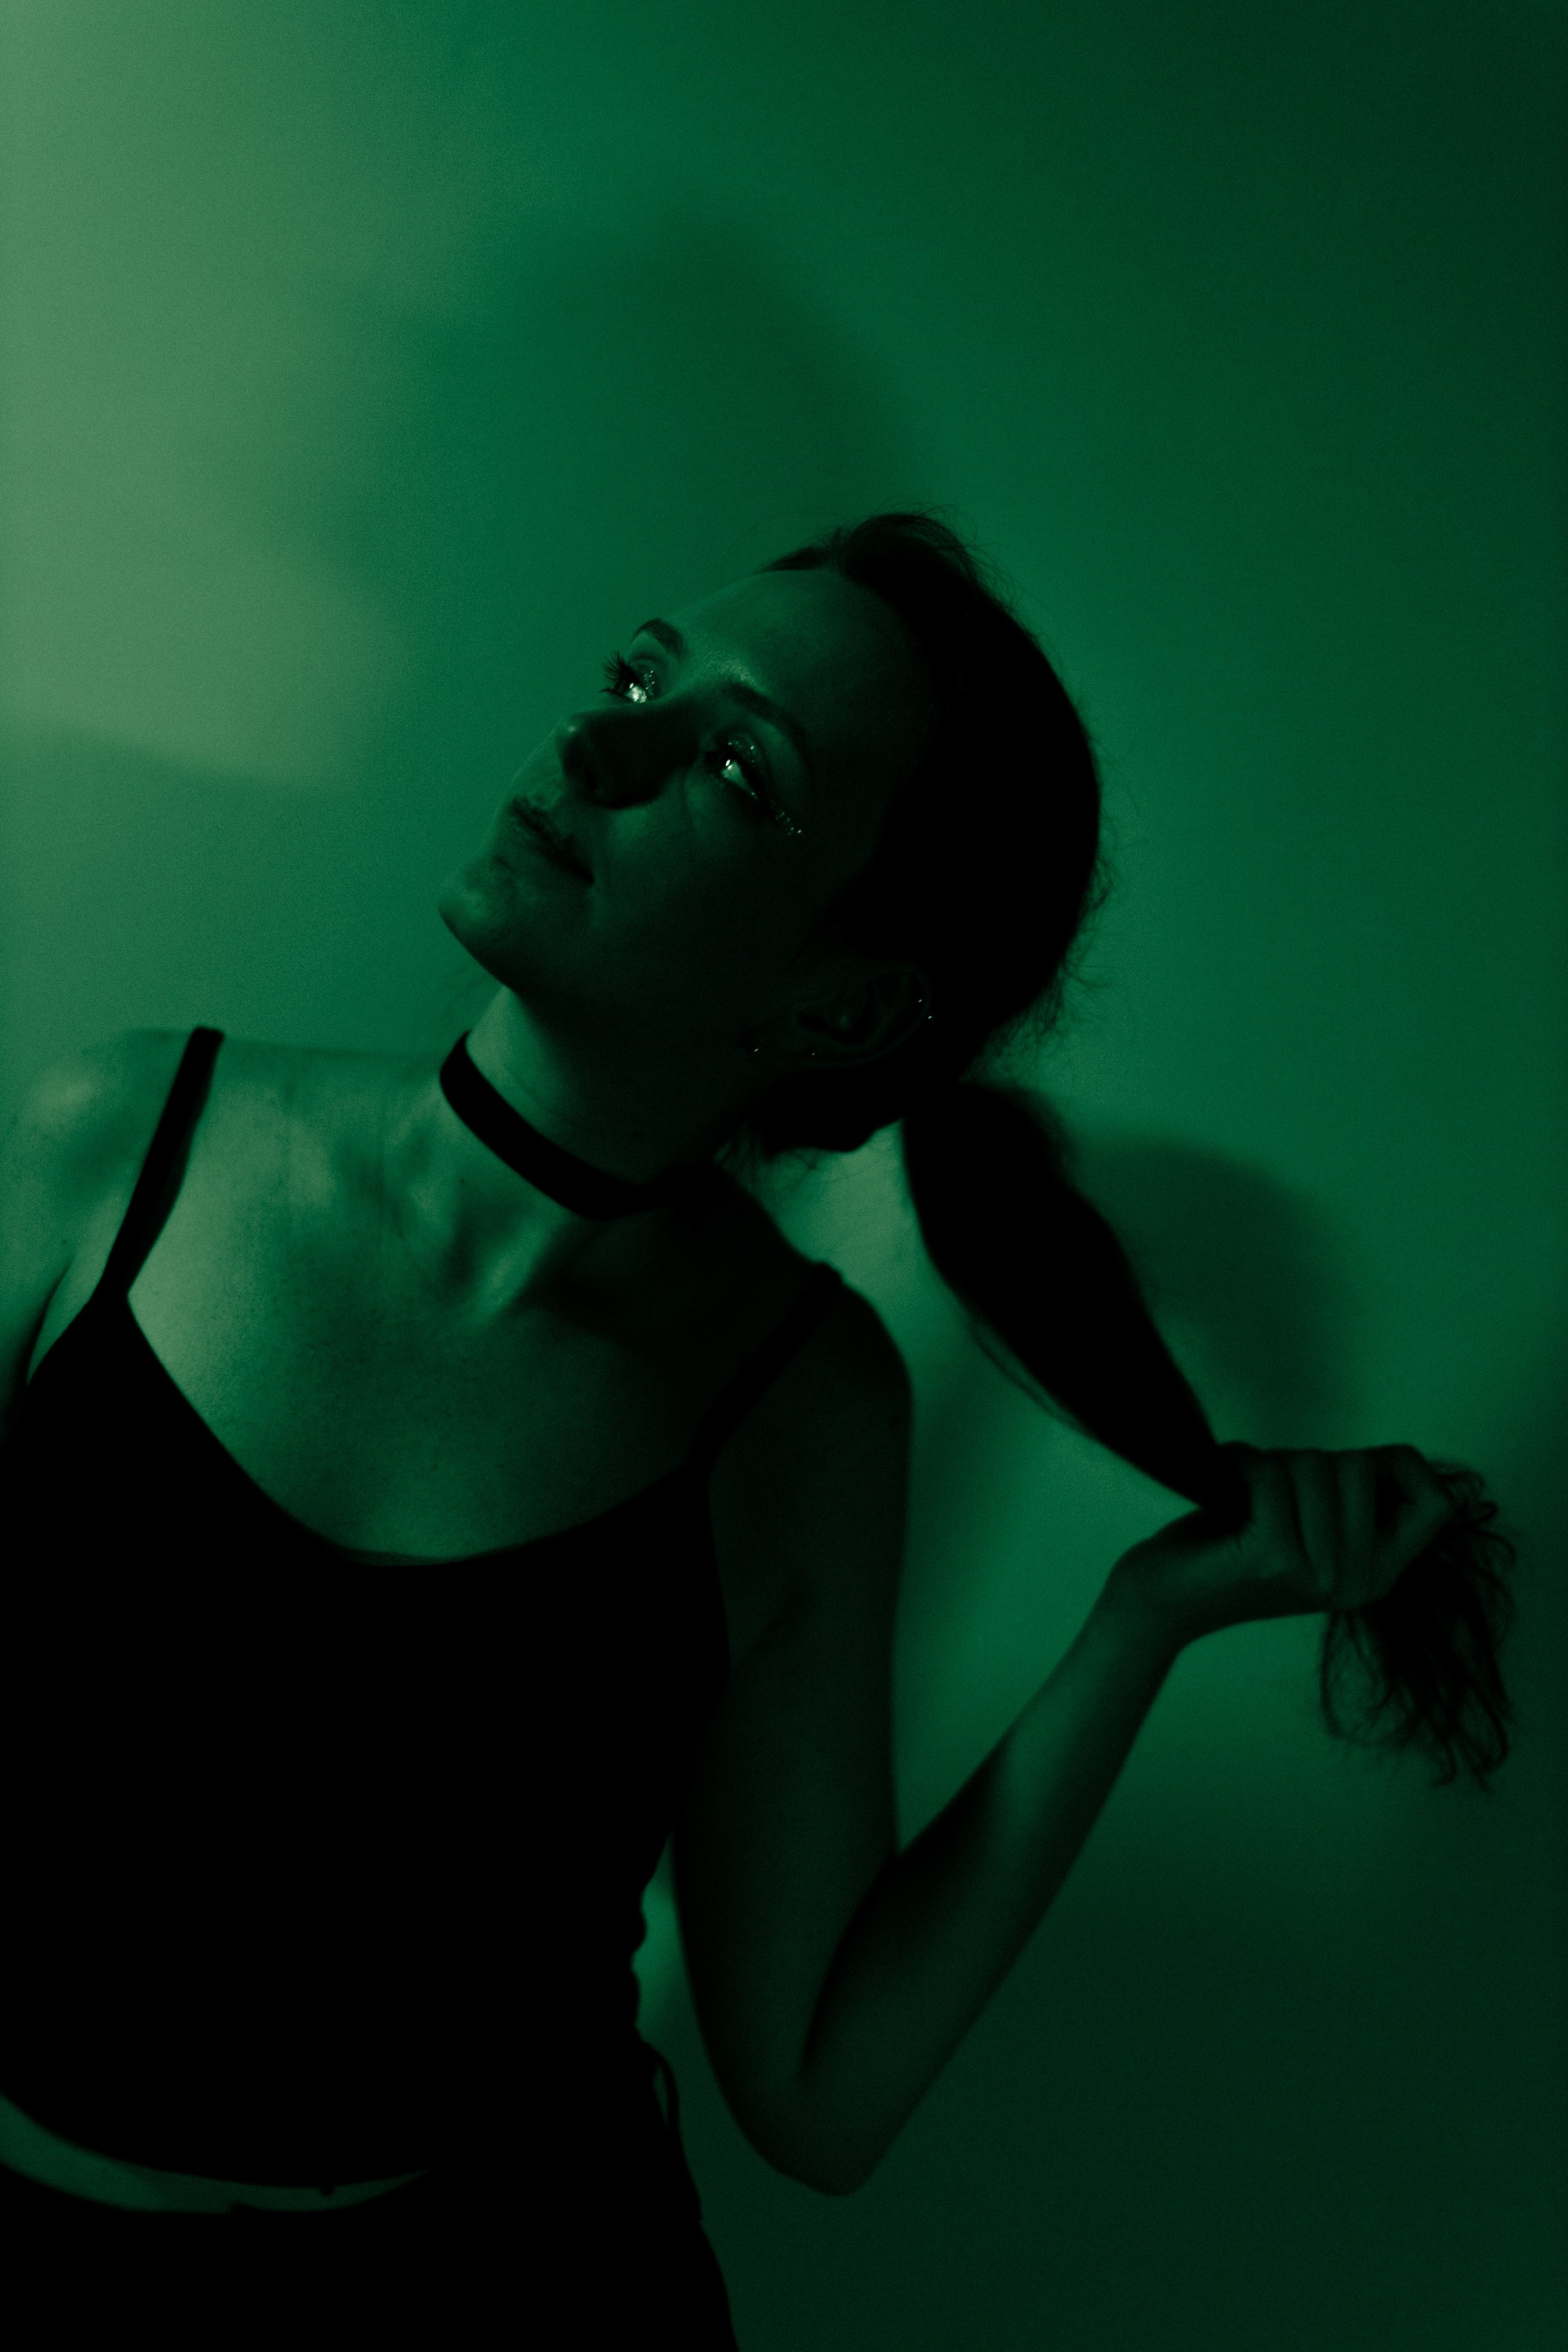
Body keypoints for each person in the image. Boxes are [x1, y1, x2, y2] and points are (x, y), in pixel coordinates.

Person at [0, 510, 1520, 2338]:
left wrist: (1144, 1619)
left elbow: (818, 2089)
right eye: (639, 675)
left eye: (735, 767)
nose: (596, 744)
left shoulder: (800, 1411)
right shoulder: (112, 1147)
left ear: (846, 1001)